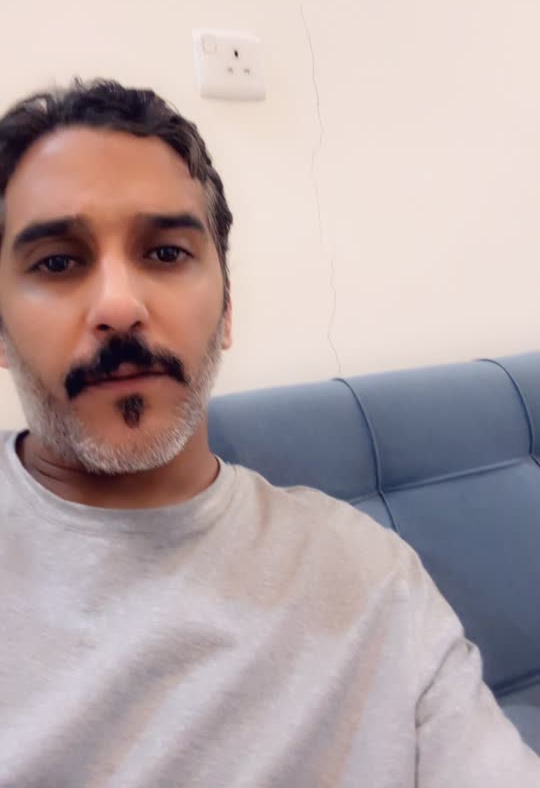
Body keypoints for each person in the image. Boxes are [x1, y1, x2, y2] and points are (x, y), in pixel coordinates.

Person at [0, 80, 537, 788]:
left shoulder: (370, 576)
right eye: (58, 262)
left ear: (227, 310)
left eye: (165, 253)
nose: (120, 306)